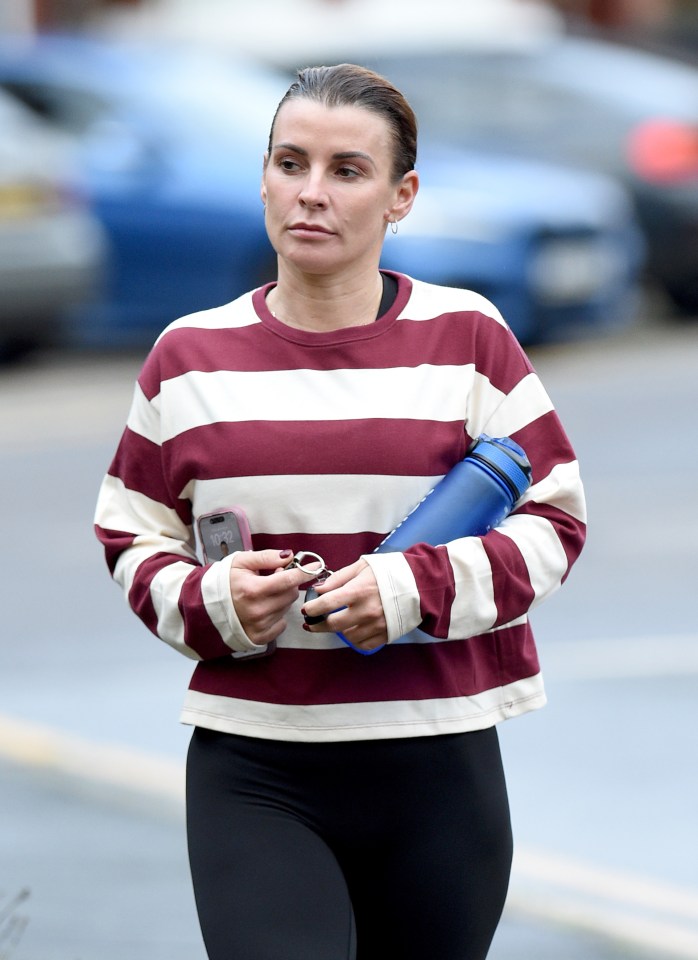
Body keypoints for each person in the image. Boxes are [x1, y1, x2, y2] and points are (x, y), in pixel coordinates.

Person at [94, 64, 586, 960]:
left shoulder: (470, 338)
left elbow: (554, 522)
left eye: (347, 171)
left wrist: (408, 589)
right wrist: (213, 602)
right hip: (257, 766)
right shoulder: (186, 357)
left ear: (402, 197)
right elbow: (132, 533)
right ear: (264, 178)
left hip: (440, 760)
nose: (311, 194)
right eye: (292, 163)